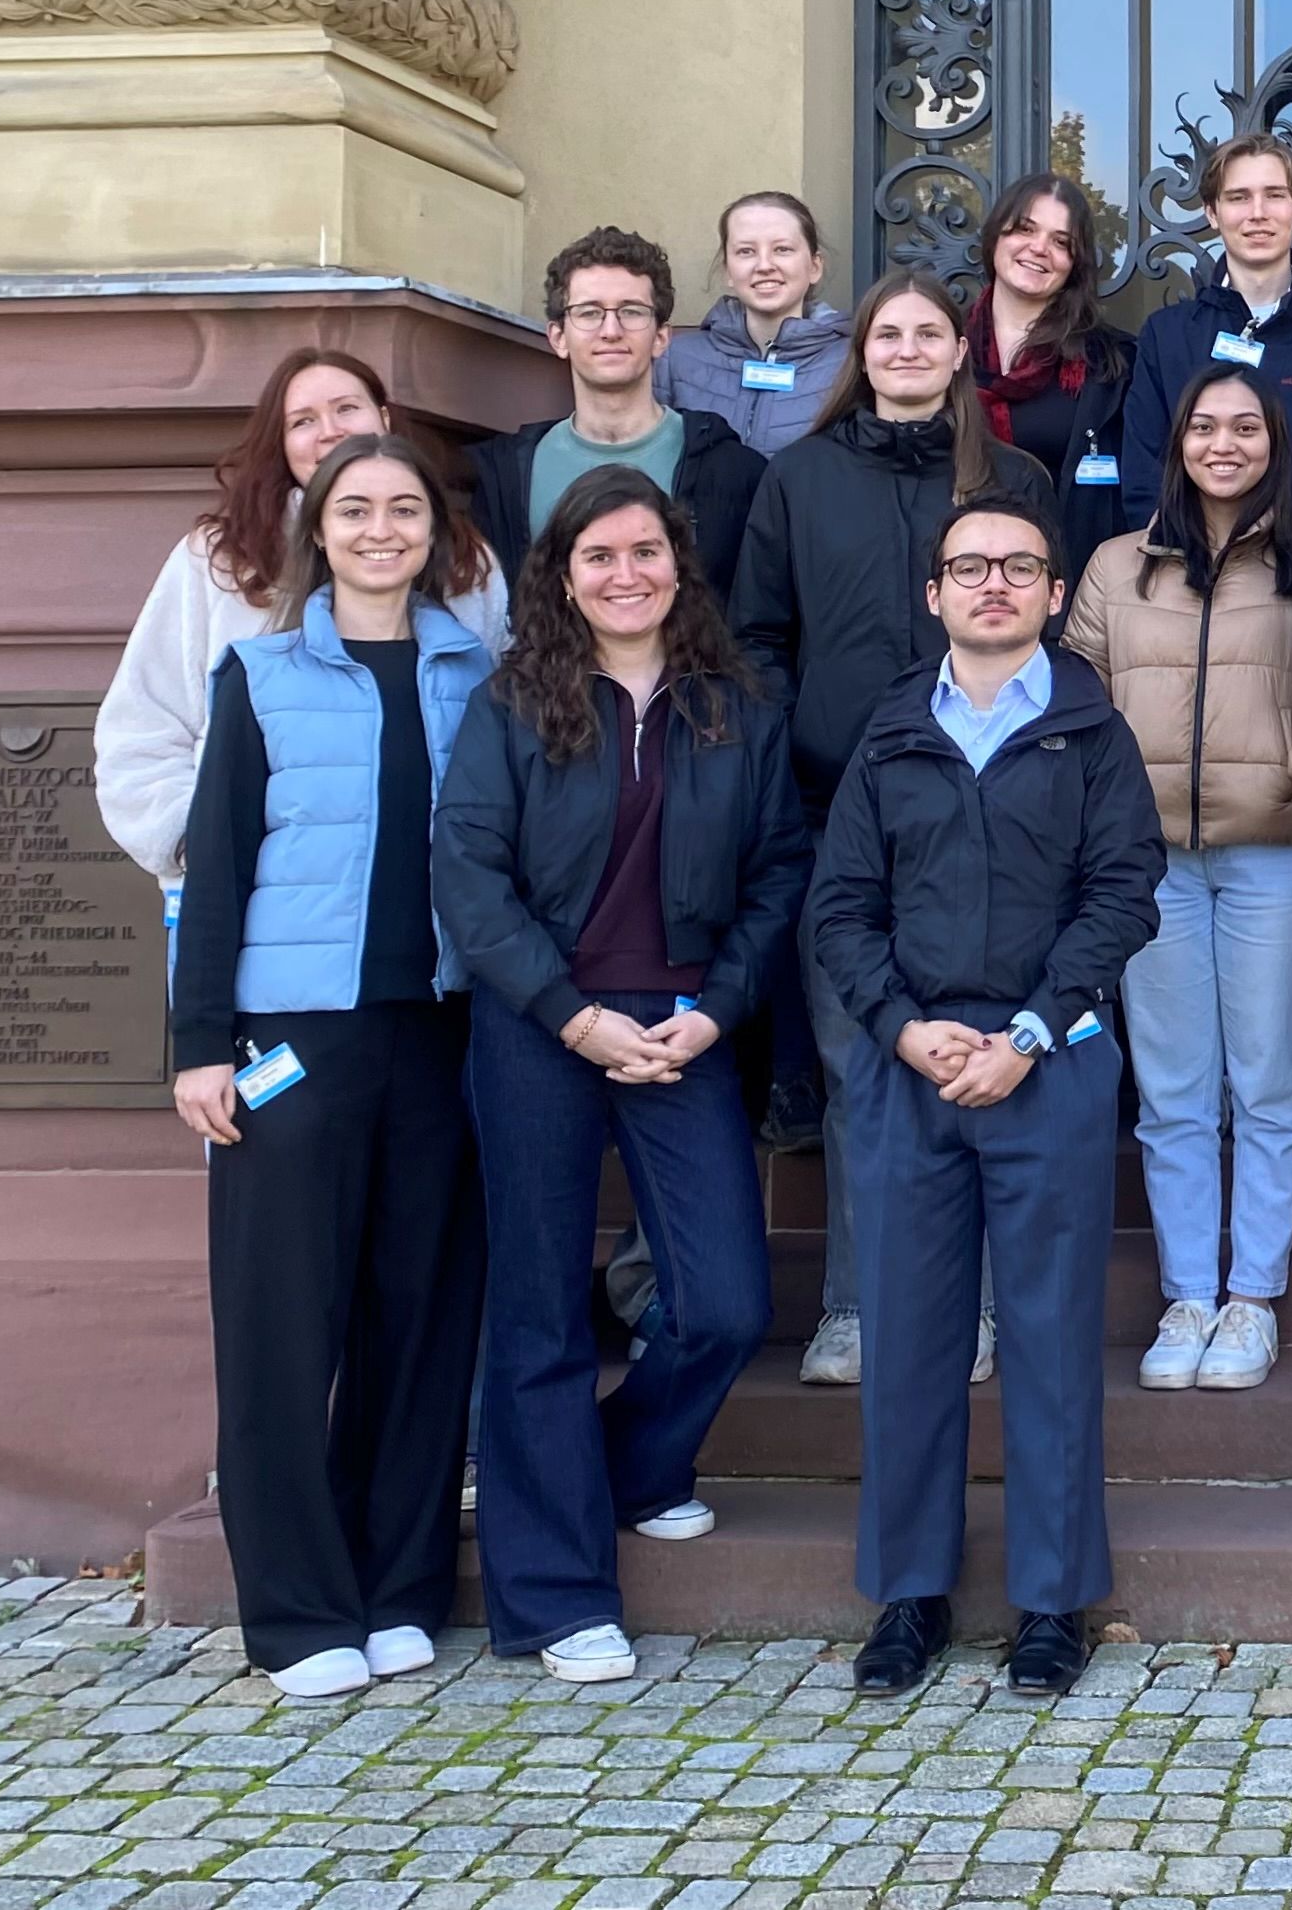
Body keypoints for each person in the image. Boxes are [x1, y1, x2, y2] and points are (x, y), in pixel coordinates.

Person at [434, 472, 808, 1682]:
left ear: (677, 565)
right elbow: (470, 877)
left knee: (723, 1302)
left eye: (646, 551)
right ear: (562, 573)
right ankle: (553, 1597)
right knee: (537, 1310)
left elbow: (776, 874)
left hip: (683, 1023)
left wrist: (716, 1012)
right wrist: (569, 1014)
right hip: (544, 1021)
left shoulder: (734, 704)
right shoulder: (511, 703)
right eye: (598, 556)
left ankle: (633, 1466)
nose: (625, 574)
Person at [806, 494, 1165, 1698]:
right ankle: (909, 1596)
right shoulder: (891, 731)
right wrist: (906, 1033)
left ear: (1057, 593)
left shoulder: (1088, 731)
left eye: (1020, 567)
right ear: (935, 594)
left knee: (1054, 1341)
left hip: (1046, 1066)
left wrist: (1026, 1030)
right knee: (909, 1340)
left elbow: (1124, 894)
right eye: (971, 568)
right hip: (911, 1074)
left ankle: (1051, 1601)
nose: (995, 585)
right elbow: (840, 909)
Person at [165, 434, 497, 1701]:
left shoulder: (480, 672)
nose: (379, 528)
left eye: (402, 507)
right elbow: (216, 865)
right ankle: (299, 1611)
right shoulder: (256, 675)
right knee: (281, 1327)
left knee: (417, 1321)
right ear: (319, 529)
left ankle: (399, 1583)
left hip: (440, 1030)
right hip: (294, 1036)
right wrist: (201, 1045)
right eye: (353, 509)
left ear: (434, 532)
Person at [732, 268, 1050, 1386]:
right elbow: (756, 638)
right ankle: (860, 1309)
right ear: (858, 353)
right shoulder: (799, 477)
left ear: (959, 353)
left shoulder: (1010, 481)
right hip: (839, 820)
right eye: (887, 333)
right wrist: (795, 744)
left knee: (975, 1059)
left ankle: (968, 1312)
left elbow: (1051, 643)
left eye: (928, 332)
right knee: (862, 1062)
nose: (908, 348)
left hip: (992, 818)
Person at [1060, 364, 1292, 1395]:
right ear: (1176, 444)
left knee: (1267, 1081)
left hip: (1279, 849)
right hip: (1150, 865)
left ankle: (1252, 1295)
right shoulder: (1115, 566)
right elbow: (1074, 698)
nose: (1225, 444)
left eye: (1246, 428)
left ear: (1275, 443)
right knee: (1173, 1089)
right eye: (1204, 427)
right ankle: (1188, 1291)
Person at [102, 348, 508, 891]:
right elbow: (144, 724)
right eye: (303, 421)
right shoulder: (218, 559)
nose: (329, 432)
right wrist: (193, 843)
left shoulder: (462, 560)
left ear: (384, 420)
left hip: (425, 891)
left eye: (347, 409)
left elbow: (500, 720)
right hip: (244, 893)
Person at [471, 227, 767, 591]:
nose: (611, 330)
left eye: (631, 311)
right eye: (589, 312)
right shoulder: (504, 475)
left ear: (661, 337)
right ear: (558, 337)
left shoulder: (732, 472)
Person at [1122, 132, 1292, 511]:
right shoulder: (1166, 336)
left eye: (1275, 195)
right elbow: (1145, 471)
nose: (1258, 213)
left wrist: (1288, 551)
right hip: (1189, 565)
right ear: (1212, 213)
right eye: (1238, 197)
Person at [967, 171, 1141, 560]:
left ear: (1074, 264)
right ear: (996, 236)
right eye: (1024, 229)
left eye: (1061, 242)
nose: (1039, 248)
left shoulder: (1113, 363)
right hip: (959, 580)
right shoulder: (944, 348)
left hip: (1069, 575)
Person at [659, 190, 854, 456]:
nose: (764, 265)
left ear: (814, 267)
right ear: (728, 270)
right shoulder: (676, 358)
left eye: (782, 249)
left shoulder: (851, 361)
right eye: (746, 251)